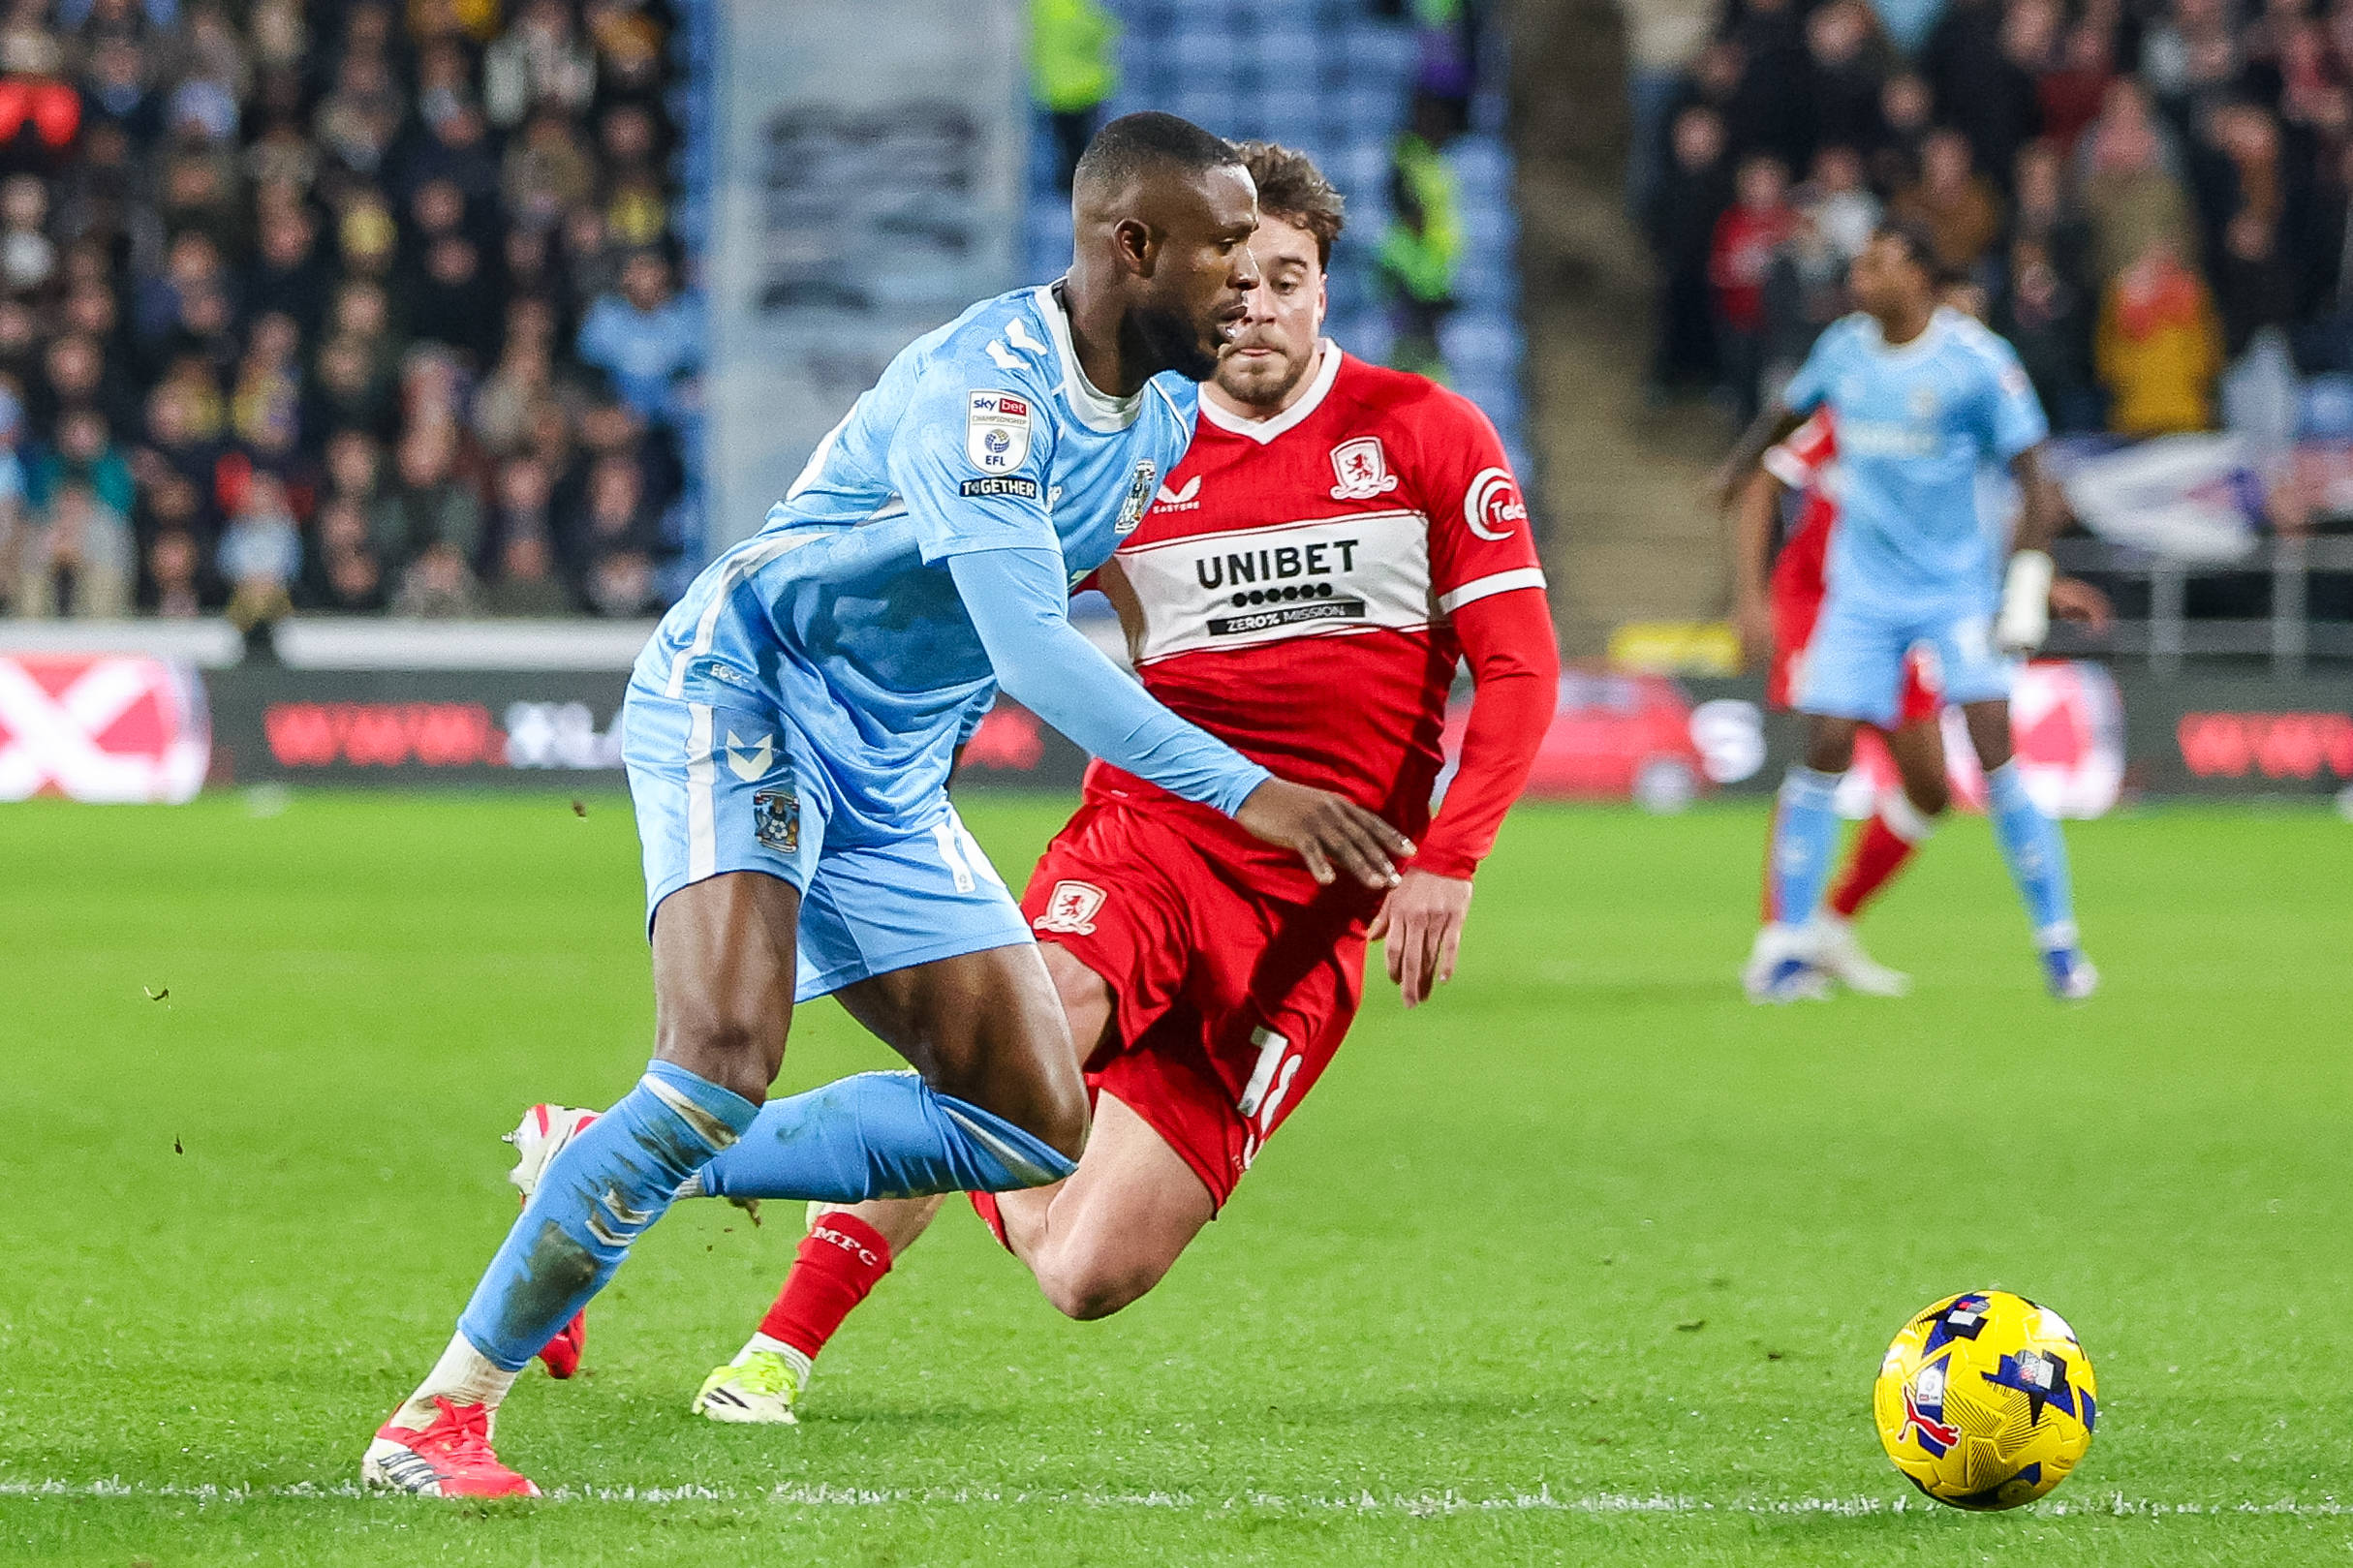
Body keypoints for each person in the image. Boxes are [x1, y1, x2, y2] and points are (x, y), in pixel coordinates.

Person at [360, 112, 1409, 1499]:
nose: (1244, 286)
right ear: (1133, 246)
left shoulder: (1159, 408)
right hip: (753, 692)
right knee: (717, 1061)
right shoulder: (991, 393)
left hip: (890, 765)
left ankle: (592, 1162)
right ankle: (439, 1417)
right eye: (1223, 249)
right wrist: (1248, 789)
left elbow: (1041, 607)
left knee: (1029, 1119)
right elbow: (1031, 648)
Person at [662, 141, 1558, 1421]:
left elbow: (1518, 666)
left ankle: (738, 1152)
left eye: (1287, 279)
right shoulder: (1139, 444)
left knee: (1085, 1270)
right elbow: (983, 618)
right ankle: (764, 1328)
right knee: (1007, 1045)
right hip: (1148, 845)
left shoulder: (1422, 432)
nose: (1256, 305)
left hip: (1305, 917)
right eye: (1236, 278)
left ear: (1323, 289)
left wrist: (1448, 861)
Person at [1714, 219, 2097, 1002]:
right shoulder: (1843, 353)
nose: (1858, 278)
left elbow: (2035, 481)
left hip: (1954, 592)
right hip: (1858, 594)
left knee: (1989, 752)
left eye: (1876, 265)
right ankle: (1784, 947)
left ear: (1919, 276)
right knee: (1824, 746)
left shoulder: (1976, 363)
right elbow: (1785, 418)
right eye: (1857, 265)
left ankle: (2058, 945)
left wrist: (2027, 588)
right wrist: (1735, 469)